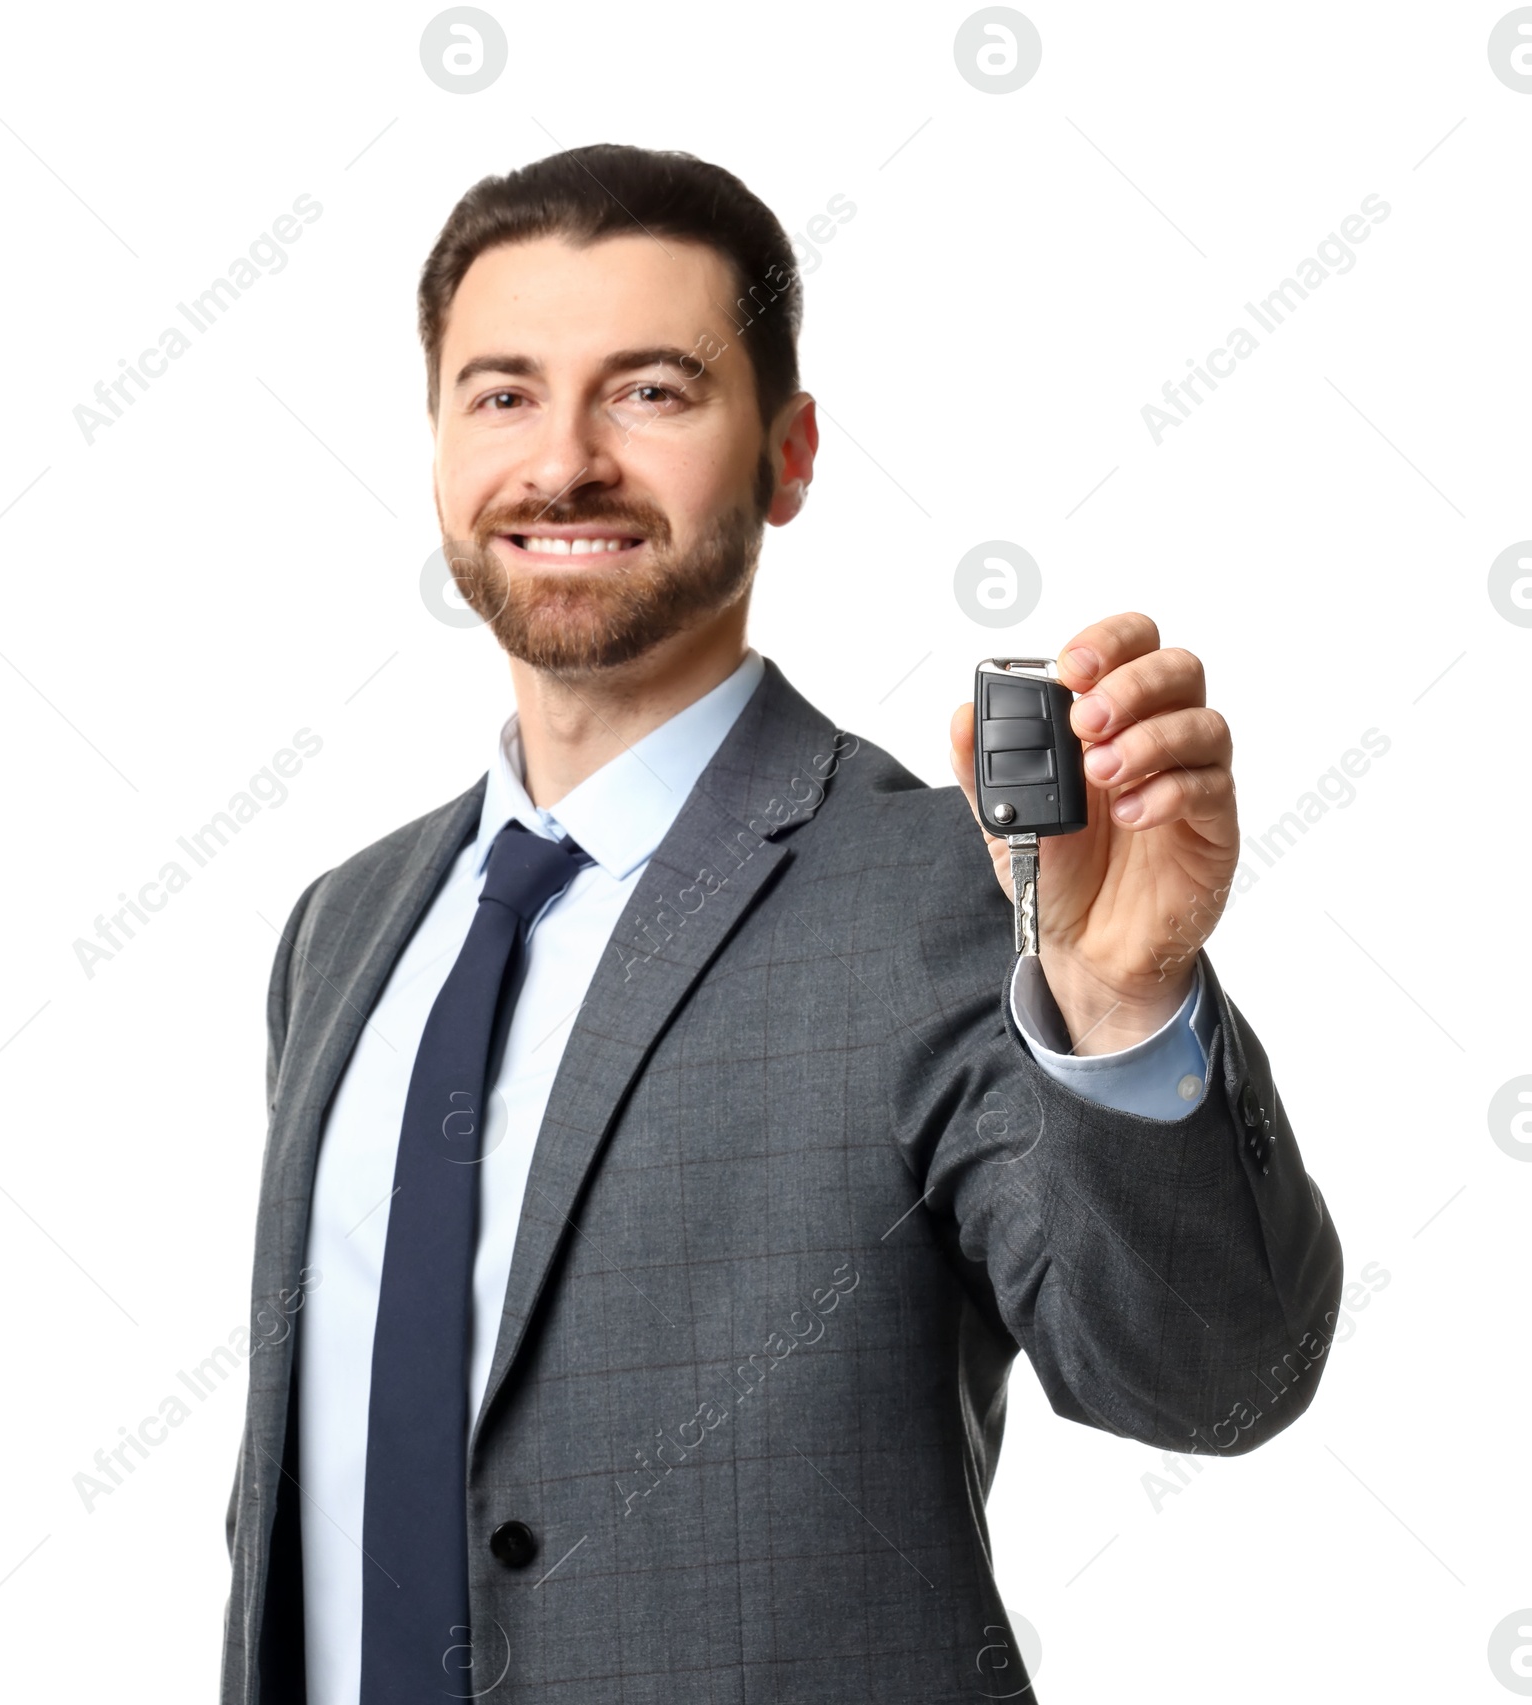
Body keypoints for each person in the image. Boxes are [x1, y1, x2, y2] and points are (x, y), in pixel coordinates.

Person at [220, 143, 1342, 1705]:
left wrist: (1124, 991)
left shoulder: (949, 893)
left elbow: (1219, 1380)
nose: (562, 463)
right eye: (502, 393)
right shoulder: (344, 929)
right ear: (435, 443)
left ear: (789, 454)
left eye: (652, 392)